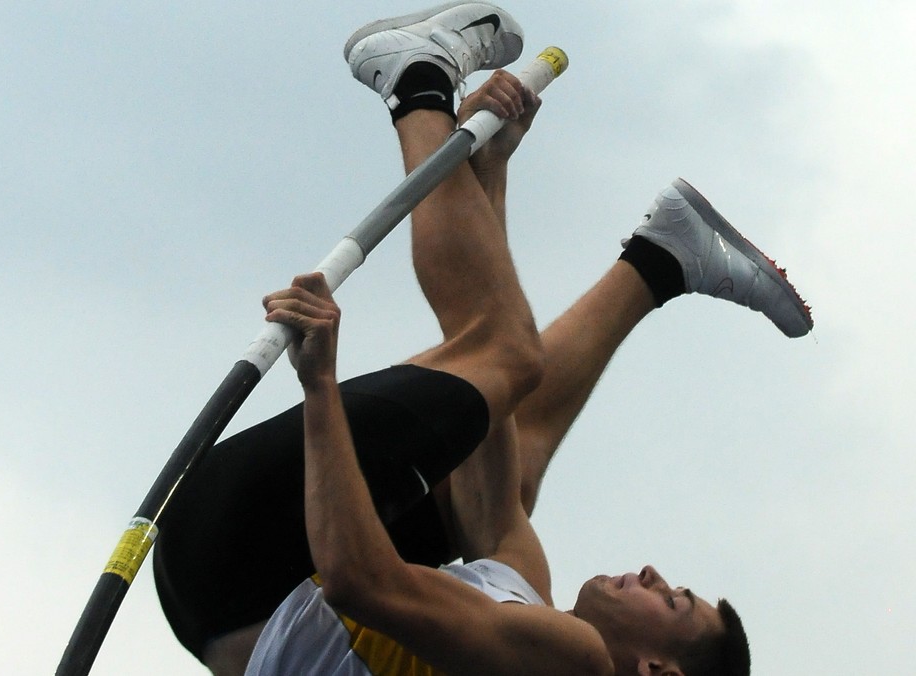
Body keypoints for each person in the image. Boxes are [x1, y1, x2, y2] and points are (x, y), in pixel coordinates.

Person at [152, 3, 811, 675]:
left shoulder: (577, 661)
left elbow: (359, 581)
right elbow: (489, 449)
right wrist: (486, 169)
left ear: (653, 670)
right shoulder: (526, 597)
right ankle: (660, 261)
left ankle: (415, 81)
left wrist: (319, 381)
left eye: (675, 602)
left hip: (242, 564)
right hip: (221, 579)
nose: (652, 572)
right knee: (512, 447)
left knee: (505, 354)